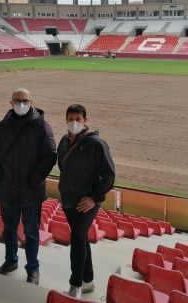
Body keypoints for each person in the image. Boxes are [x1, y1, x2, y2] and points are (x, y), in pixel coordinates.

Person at [0, 88, 57, 284]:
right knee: (9, 229)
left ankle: (33, 268)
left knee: (31, 232)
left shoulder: (42, 126)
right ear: (11, 102)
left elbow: (49, 156)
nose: (21, 104)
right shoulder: (2, 126)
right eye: (17, 100)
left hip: (31, 192)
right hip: (7, 189)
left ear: (31, 102)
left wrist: (33, 180)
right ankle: (10, 261)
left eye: (24, 100)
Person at [57, 104, 115, 298]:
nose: (74, 123)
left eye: (78, 119)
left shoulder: (96, 144)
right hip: (68, 200)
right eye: (71, 119)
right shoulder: (64, 141)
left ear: (85, 121)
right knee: (80, 238)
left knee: (77, 237)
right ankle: (88, 280)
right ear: (66, 119)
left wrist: (95, 198)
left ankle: (75, 284)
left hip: (87, 202)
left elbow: (109, 175)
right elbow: (63, 168)